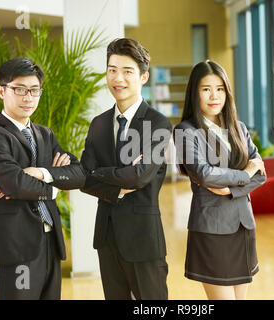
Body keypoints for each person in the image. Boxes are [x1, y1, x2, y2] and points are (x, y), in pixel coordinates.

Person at [0, 57, 86, 300]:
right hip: (15, 247)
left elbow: (79, 174)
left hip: (50, 243)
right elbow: (14, 183)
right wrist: (55, 188)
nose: (28, 97)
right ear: (2, 91)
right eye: (20, 90)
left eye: (34, 91)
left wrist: (41, 173)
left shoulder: (44, 134)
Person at [80, 38, 172, 300]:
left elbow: (139, 176)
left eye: (127, 71)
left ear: (143, 76)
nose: (117, 78)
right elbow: (84, 179)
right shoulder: (98, 124)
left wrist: (97, 173)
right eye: (112, 70)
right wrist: (112, 183)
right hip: (107, 238)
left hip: (143, 239)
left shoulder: (157, 123)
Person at [173, 60, 266, 300]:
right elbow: (203, 173)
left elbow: (261, 172)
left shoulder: (239, 128)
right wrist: (244, 174)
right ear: (195, 92)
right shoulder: (185, 131)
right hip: (212, 229)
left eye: (220, 88)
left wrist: (231, 189)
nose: (214, 95)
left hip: (243, 225)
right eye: (206, 89)